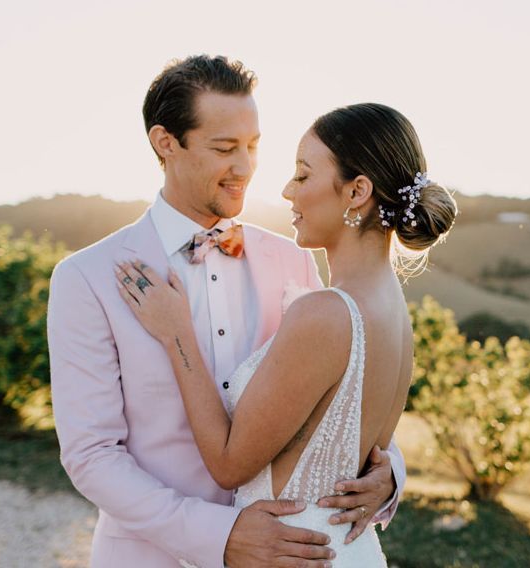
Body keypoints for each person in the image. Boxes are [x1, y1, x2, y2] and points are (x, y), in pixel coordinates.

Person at [47, 55, 406, 568]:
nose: (246, 167)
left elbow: (346, 392)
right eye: (224, 148)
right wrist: (219, 535)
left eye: (253, 146)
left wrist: (390, 473)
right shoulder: (89, 277)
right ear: (166, 143)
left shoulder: (294, 259)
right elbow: (91, 455)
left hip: (292, 551)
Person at [115, 102, 458, 565]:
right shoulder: (393, 309)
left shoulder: (324, 313)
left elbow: (228, 463)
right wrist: (391, 475)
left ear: (357, 191)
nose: (286, 190)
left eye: (302, 175)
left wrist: (177, 333)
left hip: (296, 553)